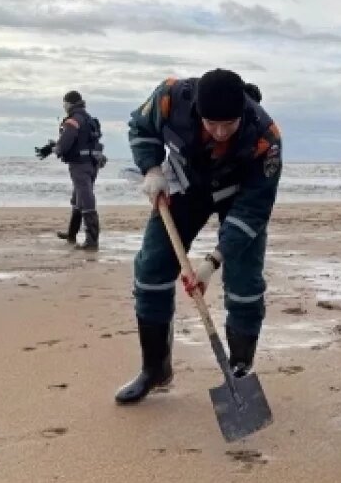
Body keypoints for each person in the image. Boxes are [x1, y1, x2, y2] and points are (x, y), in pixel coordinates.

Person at [115, 69, 283, 405]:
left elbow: (253, 210)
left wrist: (210, 264)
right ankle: (155, 368)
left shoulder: (266, 138)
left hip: (239, 196)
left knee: (245, 280)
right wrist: (150, 168)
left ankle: (238, 368)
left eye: (229, 125)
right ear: (197, 113)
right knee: (151, 268)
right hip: (186, 187)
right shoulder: (169, 97)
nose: (220, 133)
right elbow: (141, 127)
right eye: (211, 124)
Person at [51, 91, 103, 250]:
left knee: (85, 199)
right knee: (78, 198)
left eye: (64, 103)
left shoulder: (73, 120)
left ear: (69, 103)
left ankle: (91, 240)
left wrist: (55, 148)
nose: (64, 106)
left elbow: (65, 143)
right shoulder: (89, 119)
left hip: (80, 164)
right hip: (92, 164)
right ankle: (72, 234)